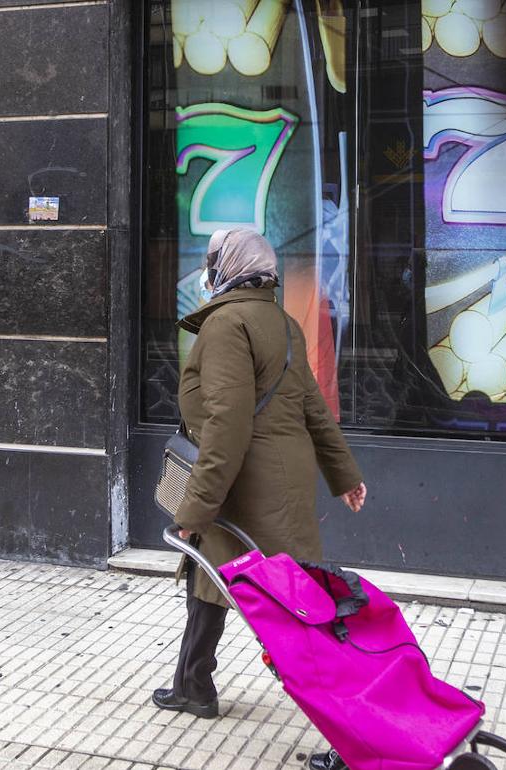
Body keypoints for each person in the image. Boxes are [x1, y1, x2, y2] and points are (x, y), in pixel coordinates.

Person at [152, 228, 367, 769]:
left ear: (227, 268)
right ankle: (193, 685)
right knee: (210, 579)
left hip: (244, 490)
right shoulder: (282, 322)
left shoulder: (227, 324)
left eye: (211, 260)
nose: (206, 269)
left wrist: (192, 509)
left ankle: (354, 735)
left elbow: (226, 426)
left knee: (289, 619)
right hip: (271, 485)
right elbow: (314, 410)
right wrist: (344, 476)